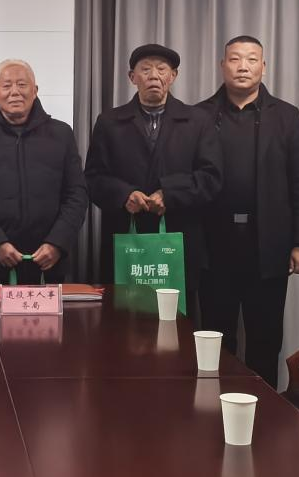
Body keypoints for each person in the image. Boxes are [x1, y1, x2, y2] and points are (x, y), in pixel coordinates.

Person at [197, 35, 299, 387]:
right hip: (213, 245)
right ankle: (214, 406)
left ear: (263, 67)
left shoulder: (286, 116)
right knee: (216, 336)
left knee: (265, 337)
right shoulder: (199, 115)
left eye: (252, 59)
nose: (243, 66)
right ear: (223, 66)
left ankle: (265, 408)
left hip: (268, 245)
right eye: (235, 59)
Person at [85, 44, 222, 298]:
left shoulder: (198, 121)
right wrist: (124, 195)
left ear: (173, 76)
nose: (154, 76)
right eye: (145, 69)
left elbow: (211, 177)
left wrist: (169, 194)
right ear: (132, 77)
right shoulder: (109, 122)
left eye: (161, 69)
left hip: (179, 240)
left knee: (177, 317)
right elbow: (93, 178)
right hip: (126, 239)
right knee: (124, 316)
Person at [0, 60, 88, 284]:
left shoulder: (61, 134)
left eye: (22, 84)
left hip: (48, 261)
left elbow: (77, 193)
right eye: (7, 86)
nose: (15, 92)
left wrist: (57, 243)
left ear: (35, 91)